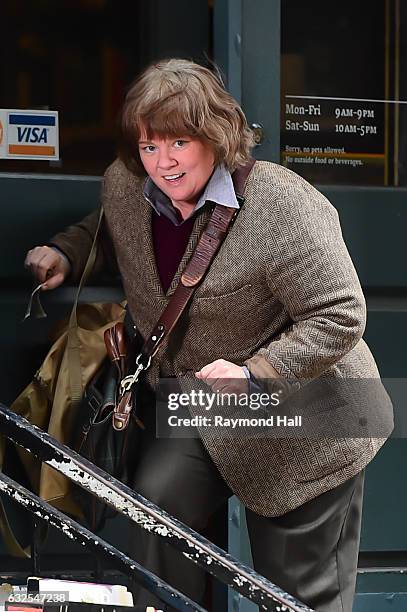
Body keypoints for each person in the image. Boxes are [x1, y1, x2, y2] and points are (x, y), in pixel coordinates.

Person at [25, 59, 393, 612]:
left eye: (179, 142)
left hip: (309, 411)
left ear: (216, 137)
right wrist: (68, 252)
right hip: (199, 404)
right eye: (150, 146)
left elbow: (339, 312)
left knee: (295, 593)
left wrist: (257, 372)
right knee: (154, 511)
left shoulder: (284, 204)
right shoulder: (127, 186)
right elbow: (106, 230)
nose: (164, 162)